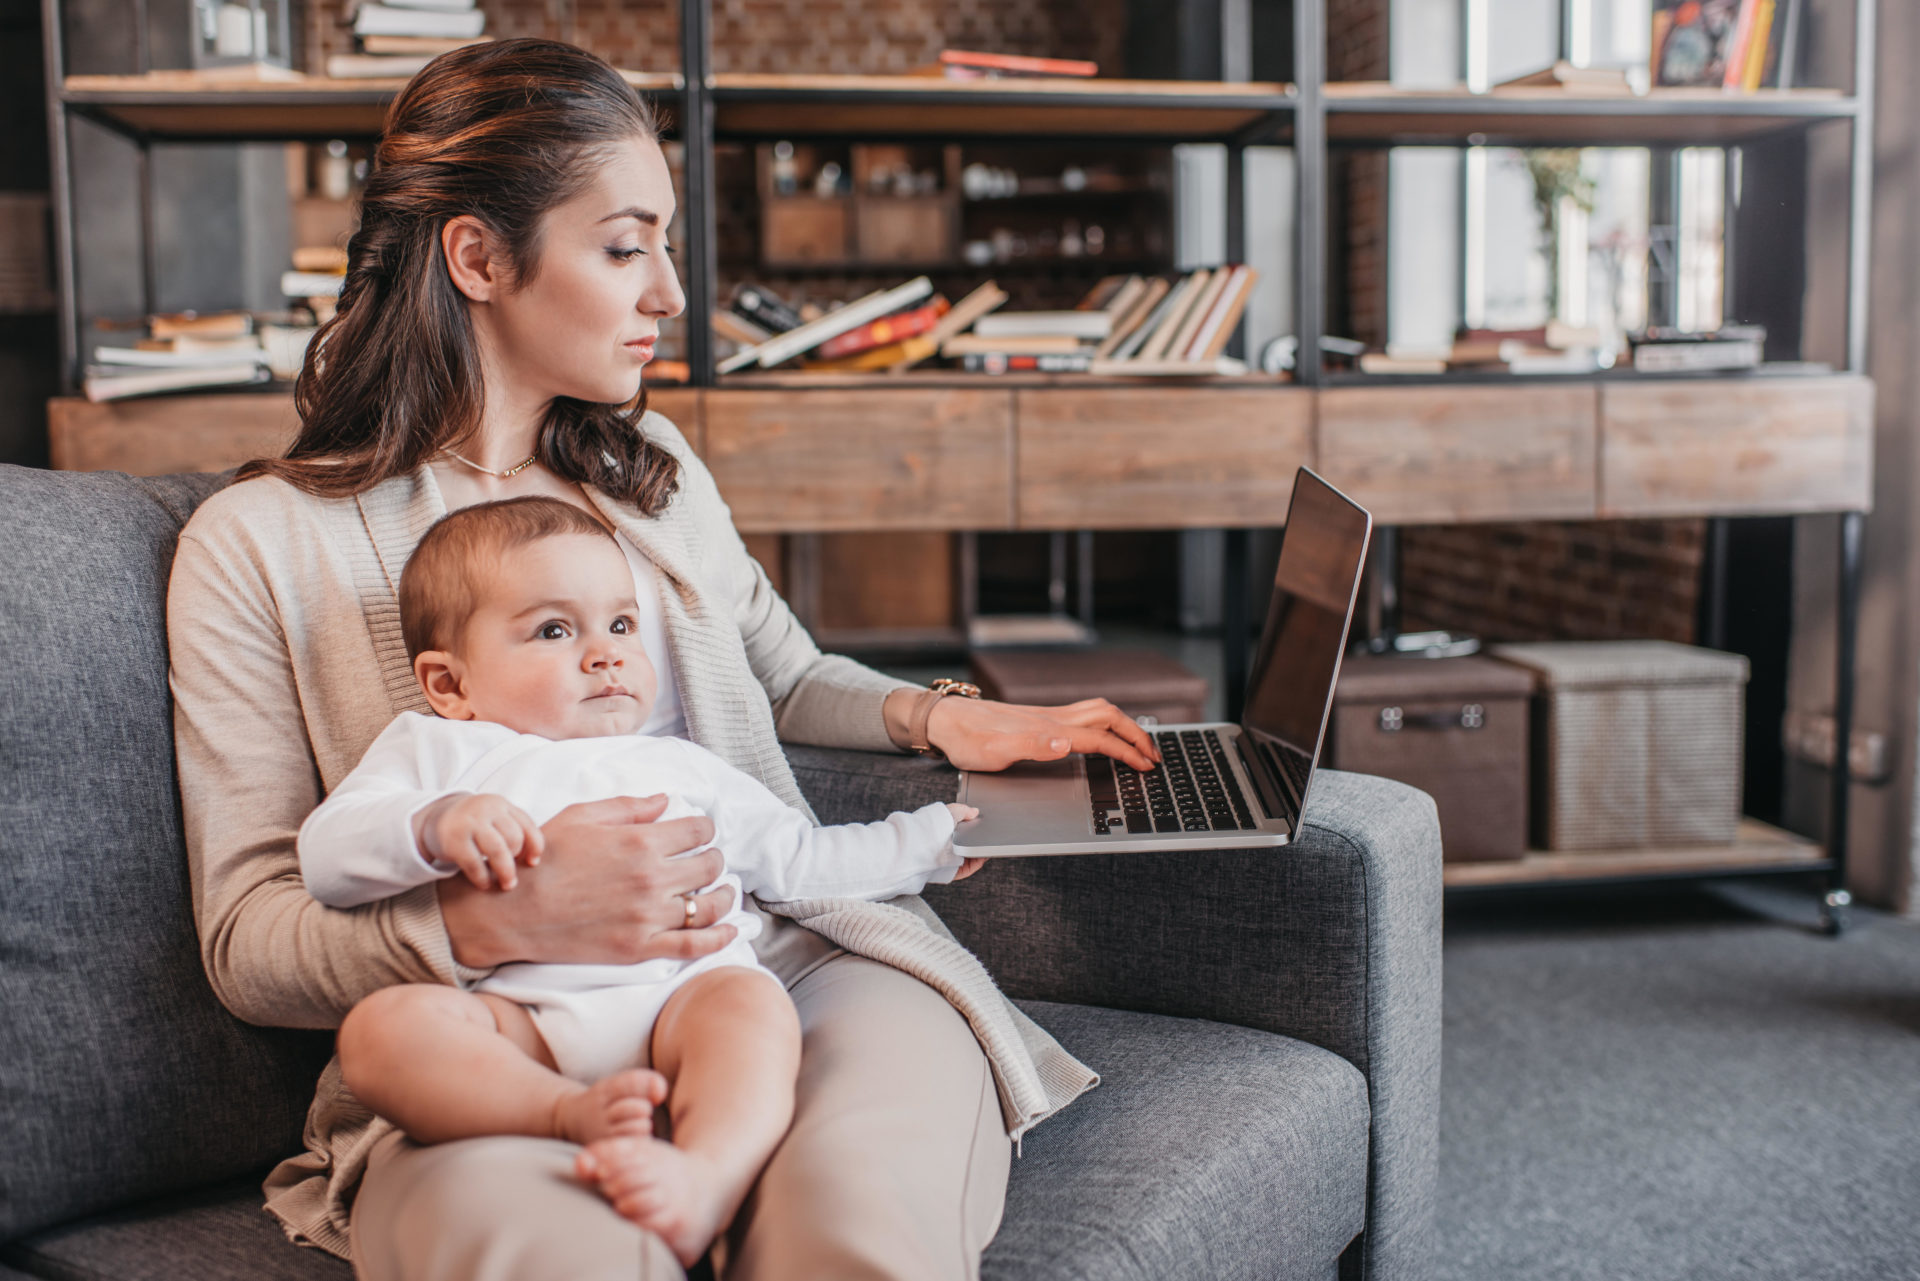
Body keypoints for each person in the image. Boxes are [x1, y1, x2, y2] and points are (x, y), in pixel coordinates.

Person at [165, 36, 1157, 1281]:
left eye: (666, 245)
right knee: (559, 1255)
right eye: (626, 246)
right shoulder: (256, 548)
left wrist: (950, 722)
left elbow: (788, 678)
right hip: (503, 1039)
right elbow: (251, 938)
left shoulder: (655, 472)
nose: (671, 294)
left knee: (852, 1224)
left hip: (777, 968)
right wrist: (495, 916)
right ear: (478, 257)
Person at [300, 495, 982, 1266]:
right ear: (450, 684)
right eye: (554, 630)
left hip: (682, 1001)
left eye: (621, 625)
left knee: (753, 1006)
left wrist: (925, 841)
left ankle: (707, 1174)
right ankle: (565, 1114)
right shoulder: (439, 754)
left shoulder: (679, 764)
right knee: (381, 1033)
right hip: (522, 1018)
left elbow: (802, 860)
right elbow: (325, 856)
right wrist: (431, 826)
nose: (605, 653)